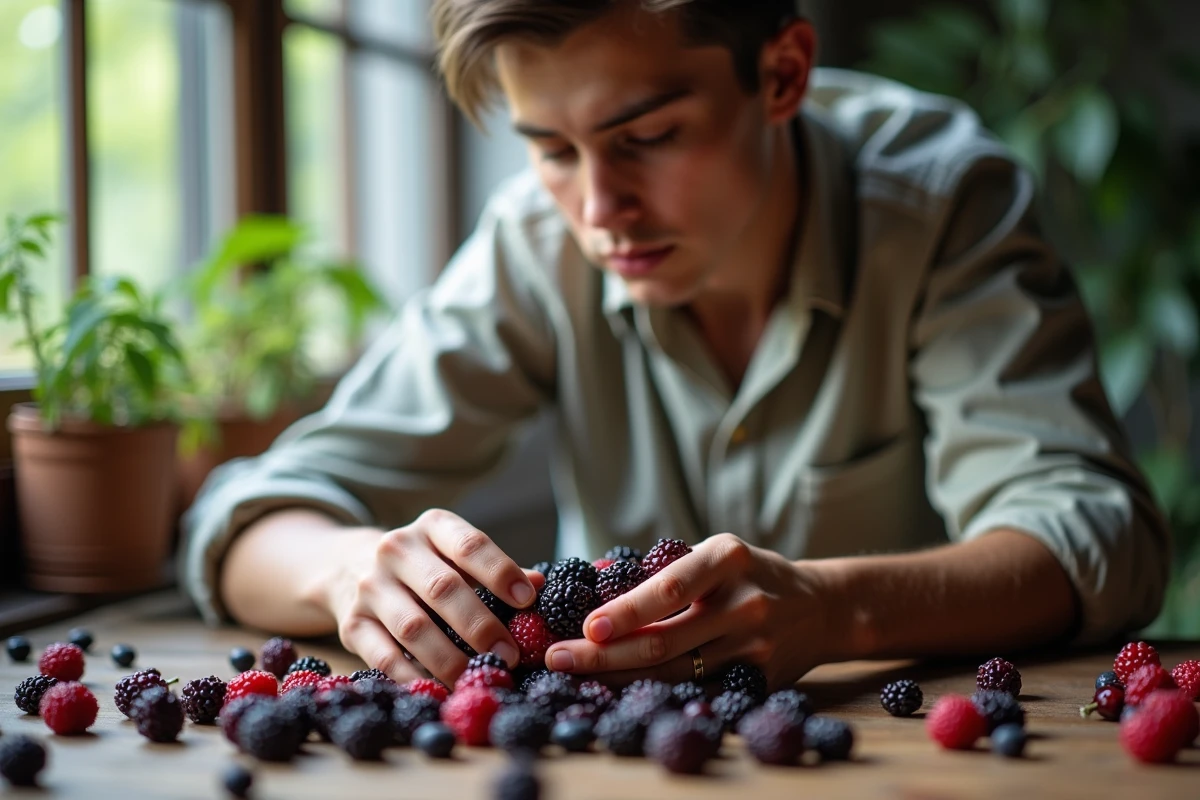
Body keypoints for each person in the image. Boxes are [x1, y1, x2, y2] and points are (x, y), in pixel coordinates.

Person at [179, 0, 1171, 691]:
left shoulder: (944, 204)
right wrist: (350, 568)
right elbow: (242, 519)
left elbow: (1095, 538)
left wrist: (835, 608)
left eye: (646, 136)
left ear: (783, 74)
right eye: (552, 150)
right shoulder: (535, 239)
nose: (599, 210)